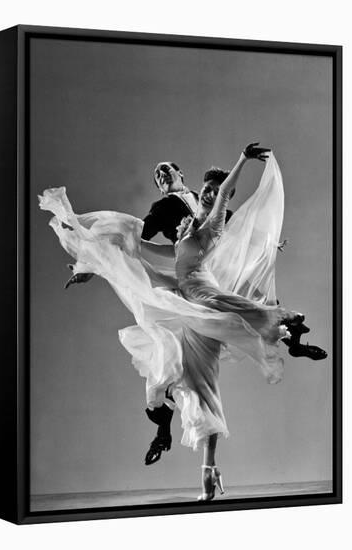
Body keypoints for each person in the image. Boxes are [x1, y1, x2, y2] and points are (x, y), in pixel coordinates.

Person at [39, 144, 327, 501]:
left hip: (208, 294)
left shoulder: (205, 225)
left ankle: (285, 329)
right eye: (156, 176)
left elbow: (225, 205)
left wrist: (243, 163)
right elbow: (136, 253)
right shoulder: (173, 231)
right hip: (191, 308)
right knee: (197, 386)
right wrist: (92, 266)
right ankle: (209, 471)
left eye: (166, 171)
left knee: (234, 301)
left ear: (180, 174)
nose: (162, 178)